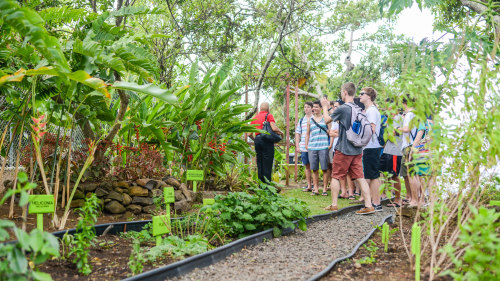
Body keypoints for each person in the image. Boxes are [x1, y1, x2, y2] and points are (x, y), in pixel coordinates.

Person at [321, 82, 375, 214]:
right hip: (357, 149)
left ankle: (334, 204)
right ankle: (369, 205)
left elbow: (327, 120)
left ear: (345, 92)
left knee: (336, 176)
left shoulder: (343, 108)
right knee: (360, 177)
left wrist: (324, 107)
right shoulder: (358, 108)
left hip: (344, 149)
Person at [359, 87, 383, 212]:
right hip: (368, 147)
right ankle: (372, 201)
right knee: (370, 175)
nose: (359, 96)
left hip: (371, 146)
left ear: (369, 96)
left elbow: (372, 129)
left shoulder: (372, 111)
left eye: (362, 94)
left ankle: (376, 203)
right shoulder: (368, 110)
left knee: (373, 176)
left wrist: (361, 140)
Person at [250, 102, 283, 184]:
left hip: (257, 140)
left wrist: (256, 139)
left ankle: (260, 185)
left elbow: (249, 134)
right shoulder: (268, 115)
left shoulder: (255, 118)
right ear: (268, 109)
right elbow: (274, 128)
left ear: (260, 109)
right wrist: (281, 132)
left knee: (259, 163)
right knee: (267, 163)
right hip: (266, 140)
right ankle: (267, 186)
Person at [396, 96, 420, 207]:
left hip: (409, 146)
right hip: (410, 145)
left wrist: (396, 128)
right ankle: (412, 197)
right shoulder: (415, 114)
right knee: (408, 174)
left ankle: (414, 199)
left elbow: (406, 129)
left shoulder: (410, 114)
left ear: (404, 103)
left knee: (411, 174)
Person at [305, 100, 332, 196]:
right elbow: (307, 134)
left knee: (325, 168)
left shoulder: (326, 119)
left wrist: (330, 144)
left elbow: (331, 132)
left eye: (316, 107)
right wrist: (306, 145)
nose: (314, 109)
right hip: (312, 147)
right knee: (314, 169)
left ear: (321, 108)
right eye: (313, 107)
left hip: (323, 146)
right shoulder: (310, 120)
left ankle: (324, 189)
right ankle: (315, 189)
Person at [380, 99, 404, 207]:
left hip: (395, 151)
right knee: (386, 174)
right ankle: (388, 196)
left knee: (394, 175)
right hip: (387, 150)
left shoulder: (399, 119)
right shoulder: (390, 119)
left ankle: (398, 199)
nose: (386, 108)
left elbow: (392, 134)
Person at [295, 102, 314, 191]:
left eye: (308, 107)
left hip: (314, 145)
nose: (306, 109)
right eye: (305, 107)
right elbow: (298, 132)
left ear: (312, 108)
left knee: (314, 166)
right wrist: (297, 145)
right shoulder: (302, 120)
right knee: (307, 166)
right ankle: (309, 185)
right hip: (303, 147)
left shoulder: (315, 118)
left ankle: (315, 185)